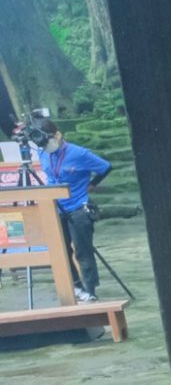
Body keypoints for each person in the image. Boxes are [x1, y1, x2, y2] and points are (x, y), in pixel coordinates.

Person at [34, 120, 112, 302]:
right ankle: (76, 286)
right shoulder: (43, 153)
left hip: (78, 207)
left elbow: (105, 167)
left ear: (58, 135)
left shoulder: (79, 153)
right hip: (56, 209)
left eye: (49, 141)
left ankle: (90, 289)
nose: (47, 146)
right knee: (61, 251)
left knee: (82, 252)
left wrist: (92, 184)